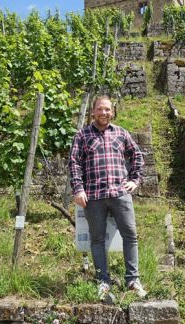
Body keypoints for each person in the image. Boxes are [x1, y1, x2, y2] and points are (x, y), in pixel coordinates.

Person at [68, 95, 147, 302]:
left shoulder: (121, 133)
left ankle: (133, 280)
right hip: (93, 197)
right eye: (100, 109)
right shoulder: (82, 135)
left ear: (112, 112)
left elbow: (137, 156)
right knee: (97, 239)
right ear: (93, 112)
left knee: (130, 235)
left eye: (108, 110)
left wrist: (135, 180)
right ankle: (103, 281)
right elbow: (74, 164)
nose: (104, 113)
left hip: (120, 194)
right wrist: (78, 189)